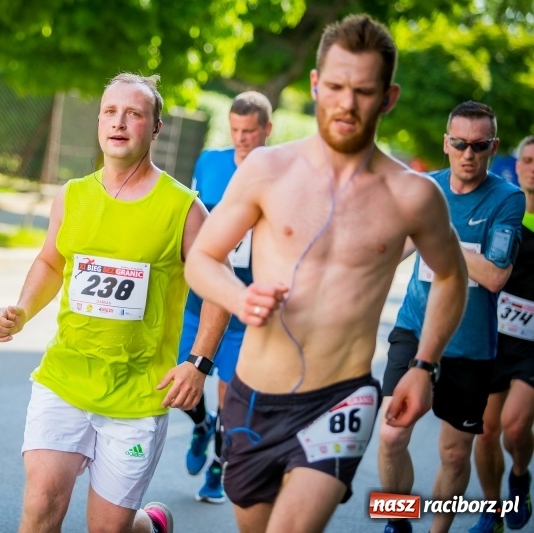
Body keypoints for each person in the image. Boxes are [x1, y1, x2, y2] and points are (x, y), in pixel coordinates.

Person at [184, 14, 469, 533]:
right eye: (335, 86)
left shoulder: (414, 195)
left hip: (340, 399)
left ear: (388, 97)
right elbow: (202, 258)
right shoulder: (267, 170)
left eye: (363, 90)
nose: (346, 102)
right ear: (315, 85)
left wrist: (423, 367)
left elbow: (451, 277)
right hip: (252, 397)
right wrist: (238, 296)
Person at [0, 72, 230, 533]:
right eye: (110, 112)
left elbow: (217, 286)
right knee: (40, 508)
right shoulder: (73, 195)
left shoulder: (183, 208)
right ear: (99, 121)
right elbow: (50, 261)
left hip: (137, 395)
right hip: (65, 378)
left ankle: (150, 526)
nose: (119, 123)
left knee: (109, 529)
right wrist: (21, 310)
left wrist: (198, 364)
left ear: (155, 128)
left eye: (134, 114)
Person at [378, 101, 525, 533]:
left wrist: (438, 236)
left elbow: (496, 274)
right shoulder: (425, 190)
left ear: (493, 147)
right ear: (446, 144)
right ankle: (398, 522)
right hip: (413, 329)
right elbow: (389, 255)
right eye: (459, 143)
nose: (468, 153)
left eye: (479, 145)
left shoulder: (507, 198)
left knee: (455, 454)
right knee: (390, 437)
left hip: (470, 345)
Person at [179, 91, 273, 504]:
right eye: (235, 130)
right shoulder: (210, 163)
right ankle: (201, 425)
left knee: (229, 397)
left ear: (267, 130)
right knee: (181, 388)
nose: (241, 139)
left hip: (246, 305)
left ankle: (218, 468)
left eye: (250, 131)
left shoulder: (280, 173)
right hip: (201, 299)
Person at [470, 135, 534, 533]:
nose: (533, 167)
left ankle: (520, 475)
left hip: (533, 342)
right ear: (518, 164)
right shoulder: (505, 205)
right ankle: (490, 511)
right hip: (494, 331)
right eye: (528, 160)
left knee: (514, 425)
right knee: (486, 429)